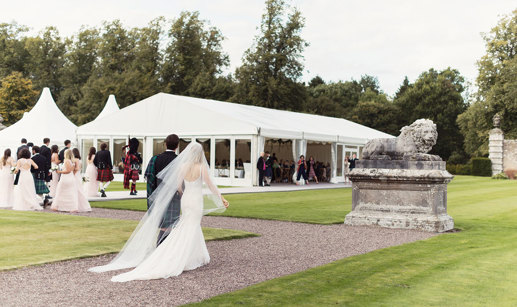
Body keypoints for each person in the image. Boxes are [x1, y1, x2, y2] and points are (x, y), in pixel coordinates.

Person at [89, 142, 229, 282]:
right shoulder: (201, 167)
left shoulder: (182, 166)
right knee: (192, 225)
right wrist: (221, 197)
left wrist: (184, 196)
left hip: (186, 199)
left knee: (188, 225)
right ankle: (185, 256)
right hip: (196, 200)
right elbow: (210, 186)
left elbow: (179, 186)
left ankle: (197, 254)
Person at [144, 134, 181, 245]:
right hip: (174, 199)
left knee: (163, 227)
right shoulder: (179, 160)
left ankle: (161, 252)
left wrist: (151, 200)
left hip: (158, 197)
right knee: (169, 227)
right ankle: (162, 253)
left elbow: (150, 181)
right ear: (177, 146)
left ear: (165, 144)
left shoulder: (155, 159)